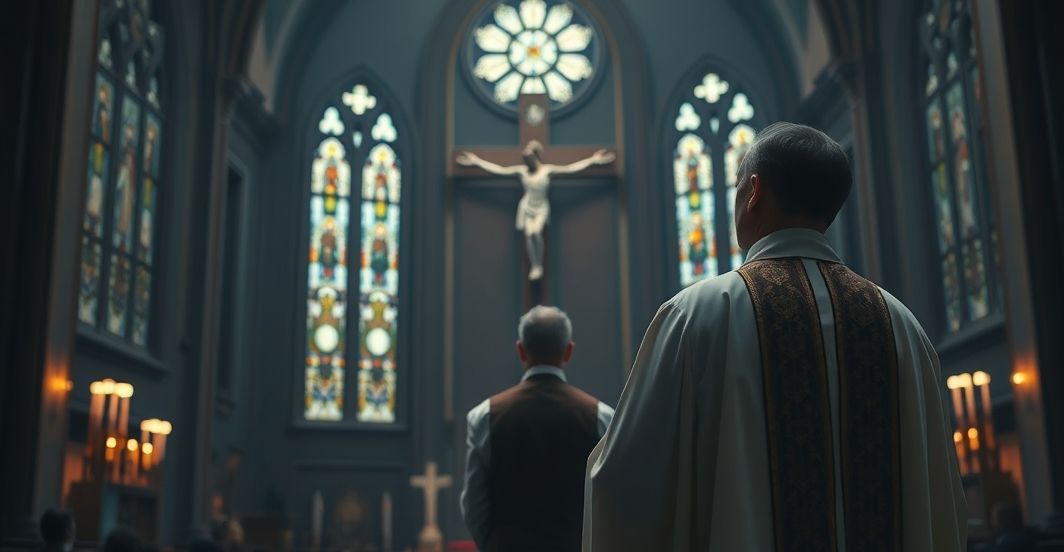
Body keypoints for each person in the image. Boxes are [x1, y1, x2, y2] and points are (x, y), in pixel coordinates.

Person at [583, 122, 966, 551]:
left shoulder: (698, 315)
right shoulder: (902, 326)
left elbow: (623, 481)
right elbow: (940, 501)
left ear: (754, 191)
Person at [461, 305, 614, 552]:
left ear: (521, 350)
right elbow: (608, 502)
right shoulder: (602, 417)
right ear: (569, 351)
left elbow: (474, 506)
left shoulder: (485, 416)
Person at [456, 142, 615, 281]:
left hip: (541, 207)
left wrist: (592, 161)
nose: (526, 161)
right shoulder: (522, 171)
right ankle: (535, 266)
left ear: (536, 157)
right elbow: (499, 169)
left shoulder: (547, 170)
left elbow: (570, 168)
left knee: (535, 233)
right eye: (525, 159)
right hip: (527, 207)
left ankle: (538, 265)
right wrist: (477, 161)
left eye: (529, 158)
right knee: (529, 234)